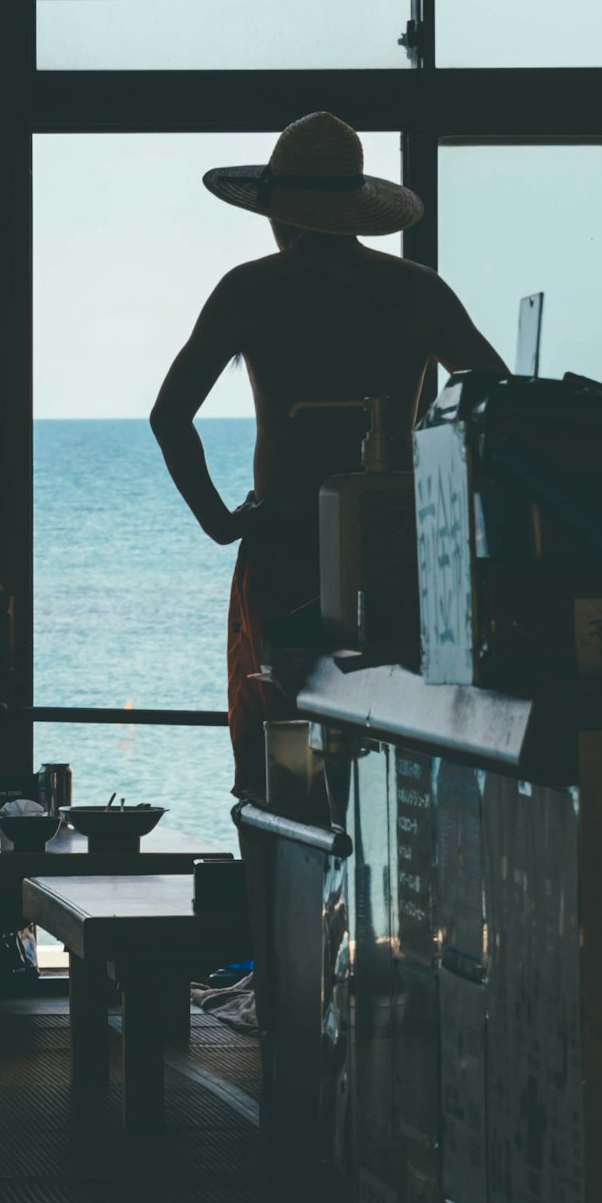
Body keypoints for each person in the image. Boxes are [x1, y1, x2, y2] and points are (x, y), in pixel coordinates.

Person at [151, 112, 508, 799]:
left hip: (282, 548)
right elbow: (496, 398)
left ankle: (281, 892)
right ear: (356, 208)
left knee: (279, 759)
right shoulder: (416, 289)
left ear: (278, 210)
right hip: (400, 554)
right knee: (396, 746)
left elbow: (170, 417)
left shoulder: (250, 289)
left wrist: (221, 522)